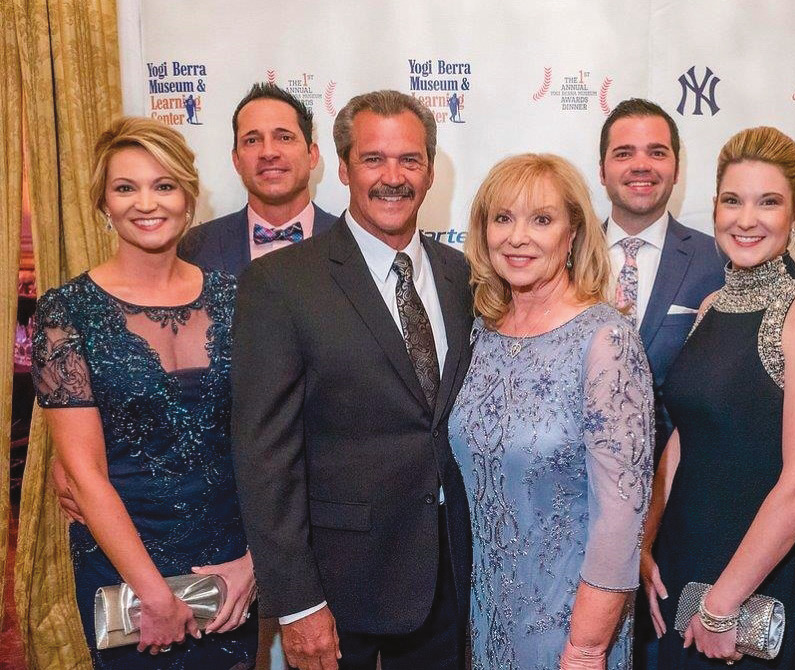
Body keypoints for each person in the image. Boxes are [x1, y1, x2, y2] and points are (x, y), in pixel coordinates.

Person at [230, 90, 473, 670]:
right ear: (341, 167)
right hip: (338, 588)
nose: (393, 177)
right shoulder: (281, 284)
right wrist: (296, 603)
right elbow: (265, 457)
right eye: (373, 159)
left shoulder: (460, 274)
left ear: (431, 171)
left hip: (452, 573)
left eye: (410, 160)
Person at [31, 117, 257, 668]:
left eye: (163, 185)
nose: (145, 203)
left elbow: (272, 438)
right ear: (103, 204)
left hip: (228, 564)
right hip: (123, 566)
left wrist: (255, 562)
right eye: (125, 187)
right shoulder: (65, 314)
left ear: (187, 196)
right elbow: (83, 474)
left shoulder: (239, 299)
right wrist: (154, 594)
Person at [641, 127, 795, 669]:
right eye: (732, 200)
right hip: (685, 558)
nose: (746, 219)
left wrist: (722, 605)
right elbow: (687, 435)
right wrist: (647, 541)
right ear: (714, 205)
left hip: (759, 579)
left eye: (769, 202)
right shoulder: (712, 304)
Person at [450, 153, 654, 669]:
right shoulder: (480, 333)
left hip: (571, 623)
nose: (518, 237)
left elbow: (622, 512)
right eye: (503, 218)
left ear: (573, 234)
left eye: (541, 219)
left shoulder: (605, 339)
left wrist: (586, 648)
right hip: (486, 613)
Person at [598, 98, 724, 670]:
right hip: (579, 503)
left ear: (677, 164)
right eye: (624, 152)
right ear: (602, 168)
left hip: (679, 506)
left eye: (657, 151)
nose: (641, 165)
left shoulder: (718, 257)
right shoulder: (558, 251)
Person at [178, 82, 336, 276]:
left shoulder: (351, 243)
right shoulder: (193, 248)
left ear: (312, 155)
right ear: (236, 160)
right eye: (252, 140)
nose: (268, 152)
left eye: (284, 137)